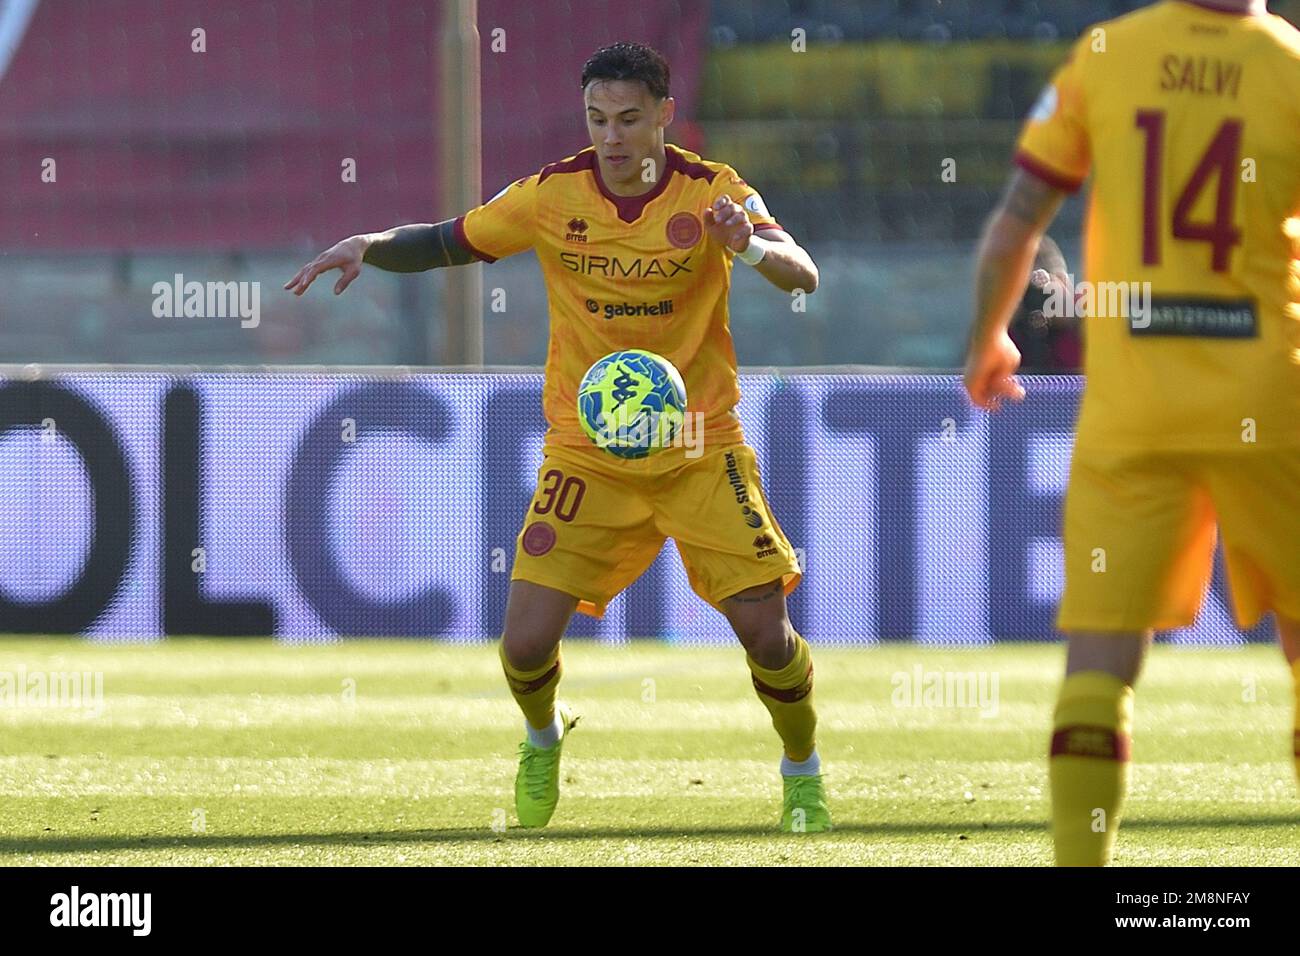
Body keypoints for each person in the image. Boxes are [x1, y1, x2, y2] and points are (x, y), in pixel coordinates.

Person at [286, 42, 831, 833]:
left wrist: (743, 243)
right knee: (522, 646)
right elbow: (451, 240)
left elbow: (801, 273)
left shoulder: (714, 192)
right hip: (588, 452)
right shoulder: (552, 195)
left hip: (695, 446)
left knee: (766, 636)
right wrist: (370, 245)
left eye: (629, 119)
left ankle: (801, 769)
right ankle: (543, 737)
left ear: (664, 116)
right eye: (598, 118)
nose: (612, 136)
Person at [963, 0, 1300, 865]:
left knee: (1100, 664)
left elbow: (1016, 222)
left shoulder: (1107, 53)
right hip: (1271, 396)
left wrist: (990, 337)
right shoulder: (1290, 66)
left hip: (1134, 407)